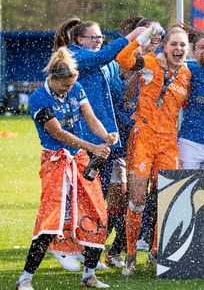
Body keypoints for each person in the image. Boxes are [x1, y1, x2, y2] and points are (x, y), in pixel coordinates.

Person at [17, 48, 117, 289]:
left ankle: (89, 275)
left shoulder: (76, 86)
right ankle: (25, 280)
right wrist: (92, 146)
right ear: (53, 78)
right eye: (65, 85)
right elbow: (58, 133)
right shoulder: (39, 98)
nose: (69, 89)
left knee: (96, 213)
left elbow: (89, 117)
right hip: (56, 161)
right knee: (51, 218)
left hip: (80, 158)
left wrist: (105, 135)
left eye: (72, 85)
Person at [51, 18, 146, 271]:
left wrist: (140, 65)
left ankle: (84, 245)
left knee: (97, 196)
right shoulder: (74, 56)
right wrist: (131, 36)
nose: (97, 41)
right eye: (92, 38)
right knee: (78, 194)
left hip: (107, 139)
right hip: (83, 138)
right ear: (79, 40)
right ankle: (61, 245)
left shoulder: (105, 63)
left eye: (100, 37)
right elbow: (104, 56)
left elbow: (118, 91)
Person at [116, 25, 191, 275]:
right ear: (165, 46)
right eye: (174, 44)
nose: (178, 49)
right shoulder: (150, 62)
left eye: (182, 45)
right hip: (143, 137)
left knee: (166, 198)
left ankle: (156, 252)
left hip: (168, 141)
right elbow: (123, 59)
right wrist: (144, 37)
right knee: (137, 199)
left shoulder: (187, 75)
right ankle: (129, 255)